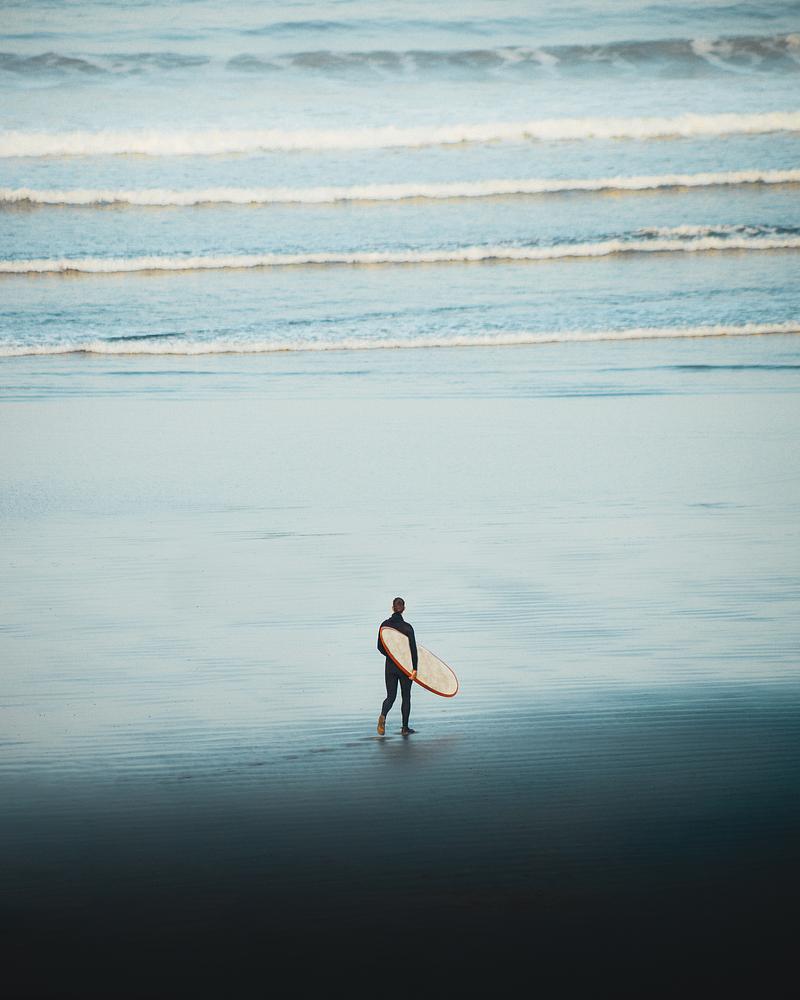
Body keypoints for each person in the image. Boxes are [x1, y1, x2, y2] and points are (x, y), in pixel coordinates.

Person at [376, 597, 418, 735]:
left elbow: (379, 647)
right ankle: (405, 728)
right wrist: (415, 669)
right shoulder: (407, 628)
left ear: (393, 608)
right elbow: (413, 650)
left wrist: (391, 656)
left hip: (390, 666)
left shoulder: (384, 625)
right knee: (406, 697)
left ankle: (383, 715)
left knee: (390, 696)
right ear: (404, 609)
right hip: (405, 667)